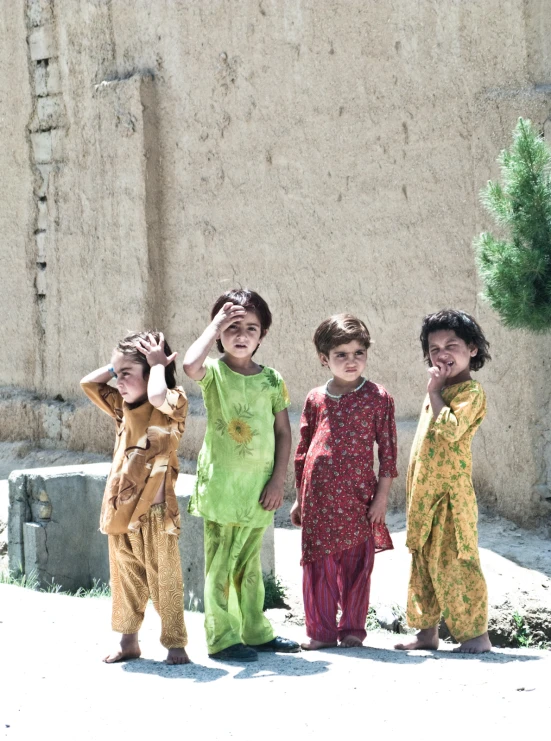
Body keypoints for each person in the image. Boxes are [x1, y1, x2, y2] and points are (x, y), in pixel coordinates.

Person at [183, 289, 300, 661]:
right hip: (222, 487)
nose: (241, 334)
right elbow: (189, 365)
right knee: (220, 561)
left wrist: (279, 480)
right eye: (232, 326)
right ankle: (222, 638)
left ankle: (255, 630)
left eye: (251, 327)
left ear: (262, 335)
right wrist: (213, 324)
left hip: (259, 488)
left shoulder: (271, 380)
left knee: (248, 564)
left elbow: (283, 432)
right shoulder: (214, 373)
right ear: (219, 332)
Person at [81, 331, 190, 664]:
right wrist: (118, 365)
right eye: (117, 374)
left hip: (156, 513)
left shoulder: (173, 405)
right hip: (119, 512)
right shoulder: (121, 407)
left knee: (165, 580)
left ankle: (175, 644)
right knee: (125, 579)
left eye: (127, 373)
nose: (119, 380)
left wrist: (156, 365)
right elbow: (88, 384)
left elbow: (157, 395)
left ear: (154, 370)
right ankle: (129, 641)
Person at [291, 314, 398, 650]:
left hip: (358, 497)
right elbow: (303, 450)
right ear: (325, 359)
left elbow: (389, 455)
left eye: (358, 353)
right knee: (318, 565)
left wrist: (381, 500)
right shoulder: (314, 398)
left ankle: (352, 629)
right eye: (341, 355)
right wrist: (298, 498)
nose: (351, 361)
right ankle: (320, 633)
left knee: (356, 563)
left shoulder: (378, 397)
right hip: (318, 497)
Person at [395, 309, 492, 654]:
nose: (442, 354)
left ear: (473, 349)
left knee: (455, 562)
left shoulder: (470, 393)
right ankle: (426, 633)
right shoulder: (436, 390)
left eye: (451, 345)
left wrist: (435, 393)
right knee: (422, 562)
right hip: (424, 496)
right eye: (434, 348)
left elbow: (450, 431)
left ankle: (475, 635)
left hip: (451, 498)